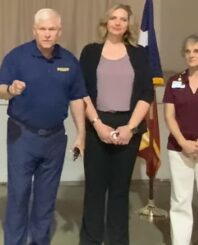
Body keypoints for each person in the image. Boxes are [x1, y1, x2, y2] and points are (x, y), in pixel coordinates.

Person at [0, 8, 87, 245]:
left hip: (56, 139)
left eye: (52, 29)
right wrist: (11, 90)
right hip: (22, 137)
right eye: (43, 29)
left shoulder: (69, 61)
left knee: (46, 199)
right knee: (19, 195)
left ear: (59, 32)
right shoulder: (16, 57)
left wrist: (81, 135)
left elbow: (77, 98)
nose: (47, 34)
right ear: (35, 30)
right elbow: (0, 90)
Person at [78, 4, 154, 245]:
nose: (118, 22)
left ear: (128, 25)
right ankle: (90, 241)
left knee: (120, 192)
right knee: (94, 191)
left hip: (127, 126)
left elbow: (146, 93)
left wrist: (130, 128)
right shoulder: (90, 52)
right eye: (113, 18)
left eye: (123, 19)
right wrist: (98, 125)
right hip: (97, 122)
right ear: (106, 22)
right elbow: (82, 92)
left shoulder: (139, 53)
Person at [163, 34, 198, 245]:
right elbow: (169, 115)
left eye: (196, 51)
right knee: (180, 200)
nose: (192, 55)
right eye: (188, 51)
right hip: (179, 148)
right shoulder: (175, 81)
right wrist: (184, 143)